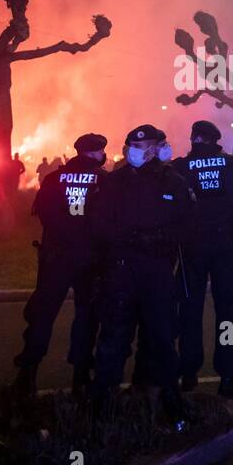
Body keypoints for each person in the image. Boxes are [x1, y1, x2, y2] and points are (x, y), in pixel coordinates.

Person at [88, 125, 195, 419]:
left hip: (157, 271)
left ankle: (166, 398)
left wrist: (160, 239)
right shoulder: (114, 182)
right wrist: (124, 239)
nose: (133, 150)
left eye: (142, 145)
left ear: (155, 148)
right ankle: (102, 406)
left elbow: (187, 225)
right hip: (121, 270)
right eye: (130, 145)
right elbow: (97, 223)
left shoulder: (173, 182)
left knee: (161, 337)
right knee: (113, 337)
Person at [10, 133, 109, 401]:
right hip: (90, 260)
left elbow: (43, 215)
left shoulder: (54, 179)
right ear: (96, 152)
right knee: (87, 317)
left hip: (56, 257)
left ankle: (27, 375)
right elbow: (110, 222)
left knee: (42, 314)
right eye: (102, 151)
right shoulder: (104, 180)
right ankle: (81, 377)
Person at [170, 121, 233, 399]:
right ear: (216, 140)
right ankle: (228, 375)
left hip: (190, 250)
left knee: (189, 312)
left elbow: (169, 206)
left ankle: (187, 374)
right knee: (226, 315)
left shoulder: (180, 168)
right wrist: (232, 223)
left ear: (194, 139)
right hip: (223, 247)